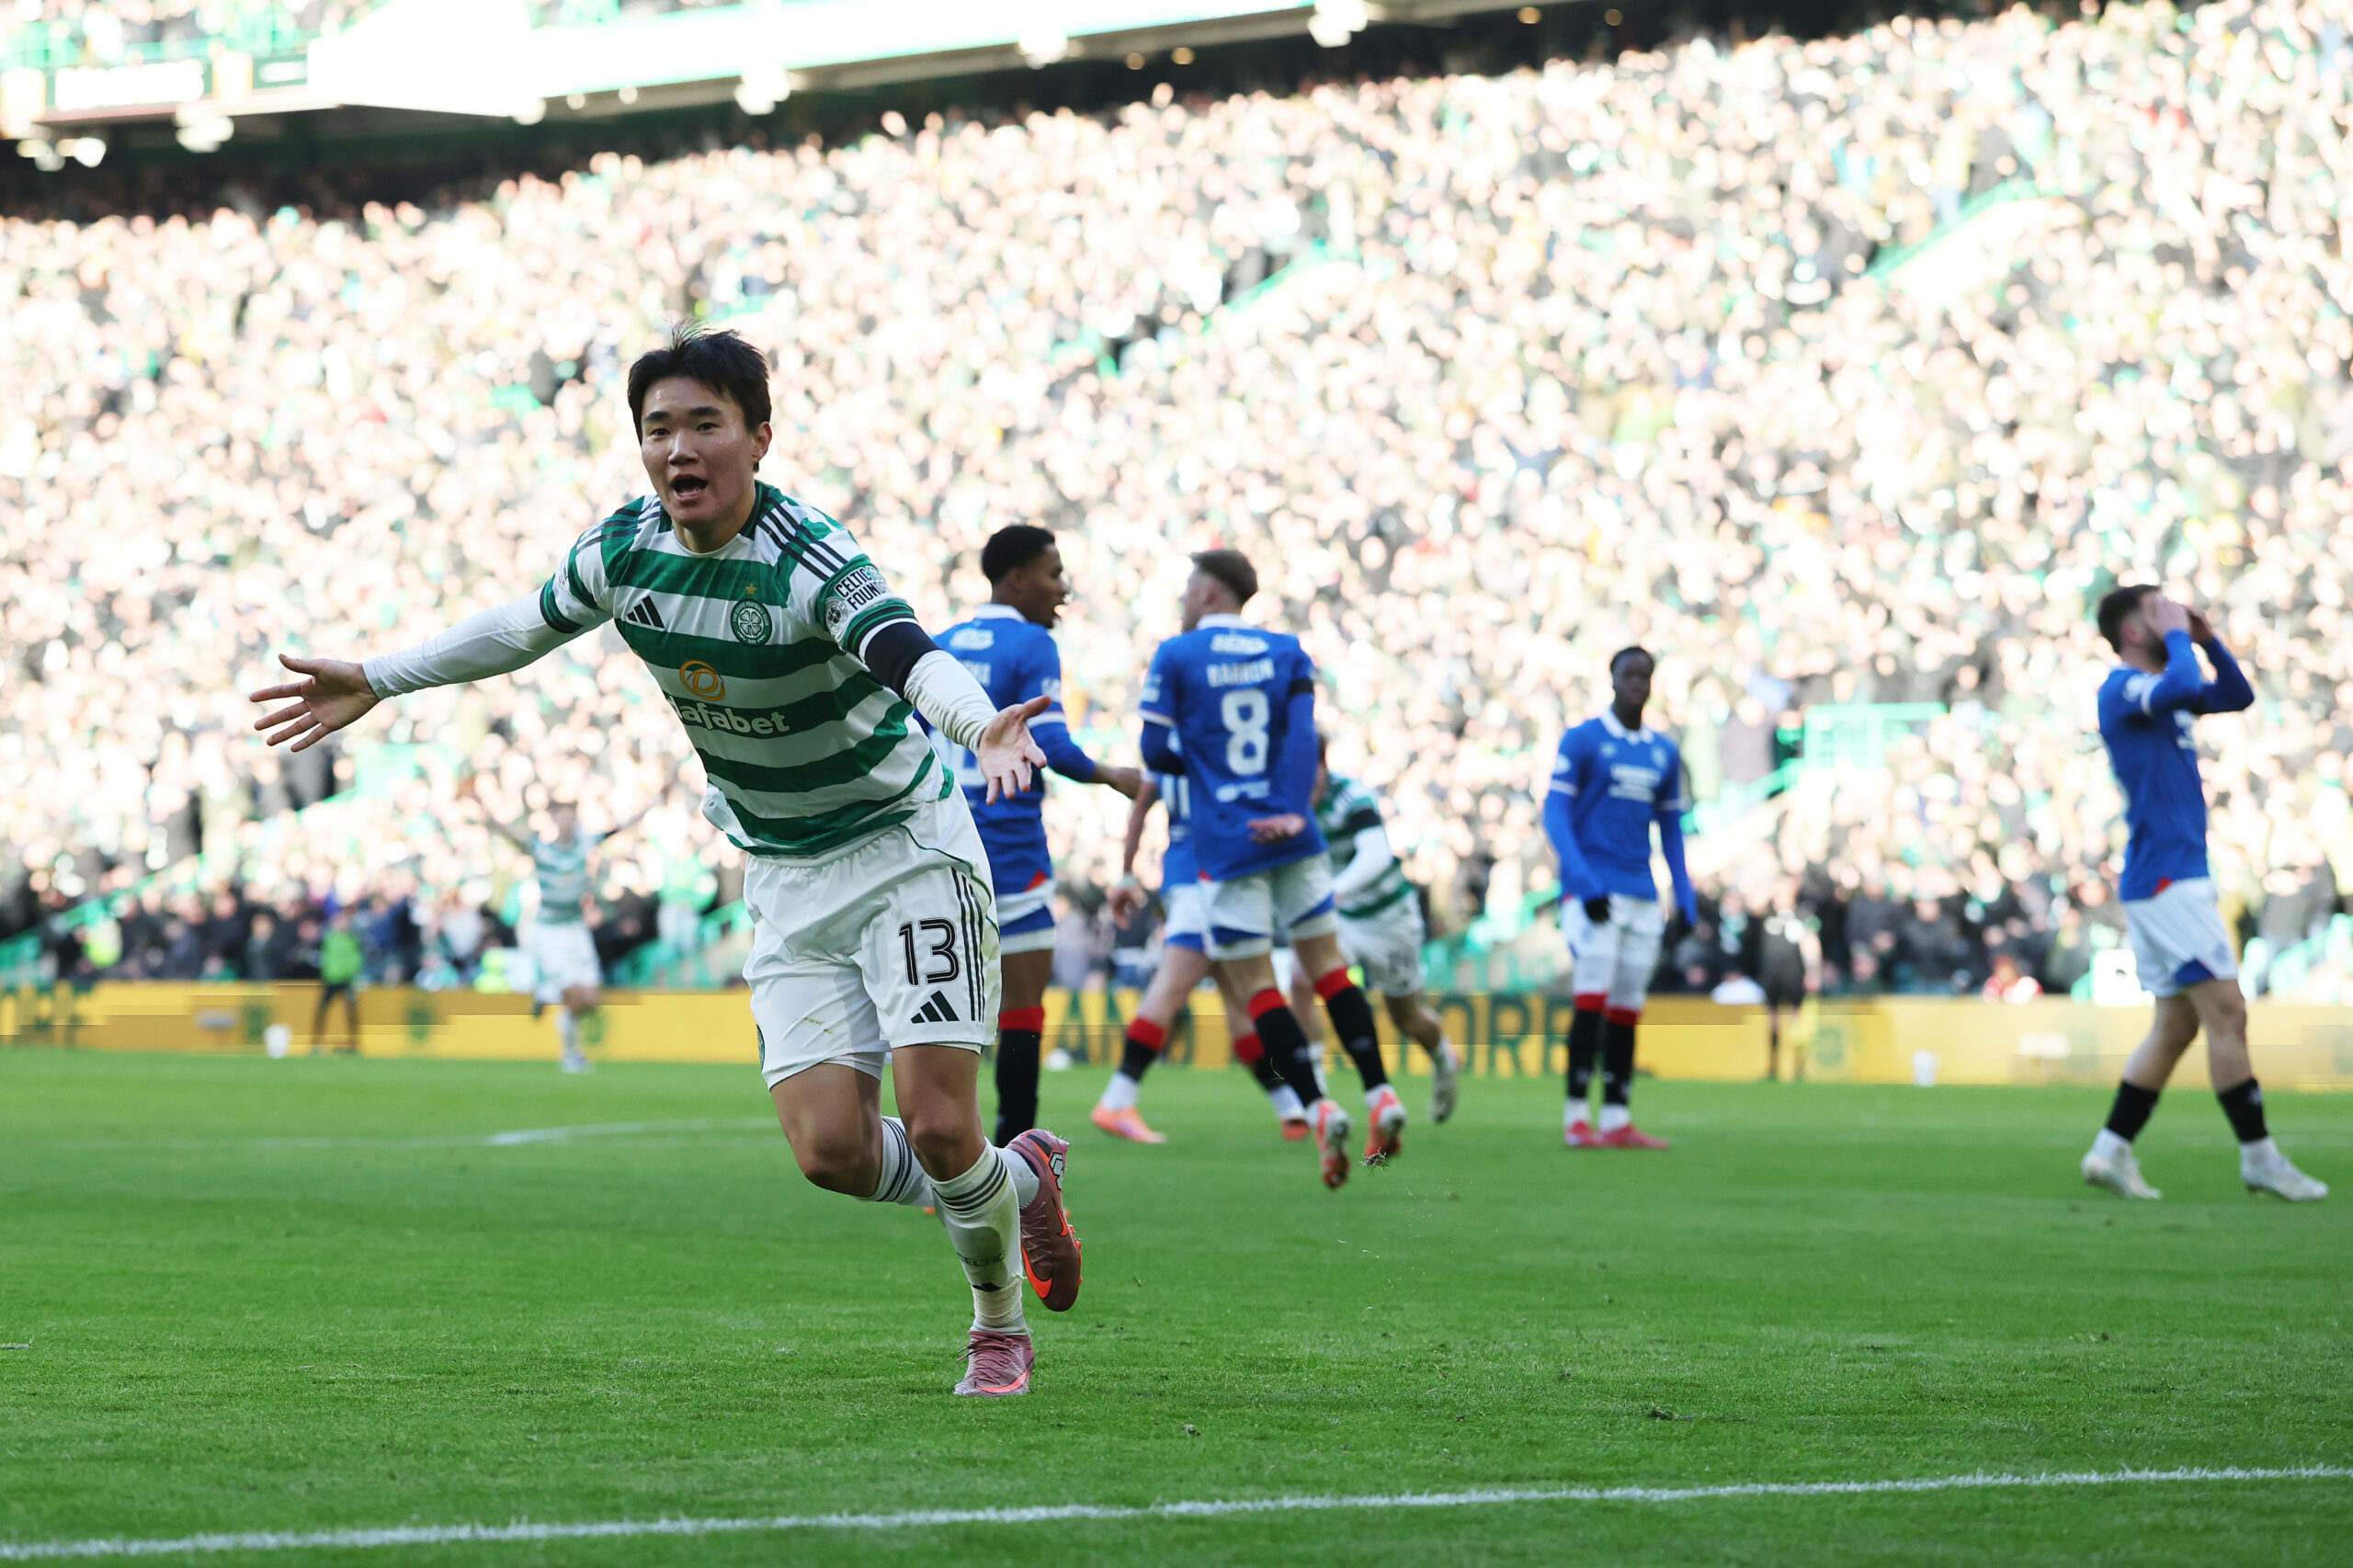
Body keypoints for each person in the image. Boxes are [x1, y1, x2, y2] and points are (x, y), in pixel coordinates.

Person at [251, 325, 1087, 1395]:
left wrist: (982, 731)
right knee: (830, 1149)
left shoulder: (810, 556)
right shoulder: (624, 551)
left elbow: (907, 654)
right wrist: (379, 674)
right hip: (784, 869)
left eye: (704, 424)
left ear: (758, 438)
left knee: (936, 1121)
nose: (678, 449)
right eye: (658, 429)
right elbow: (520, 625)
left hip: (903, 850)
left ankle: (995, 1324)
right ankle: (1016, 1180)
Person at [1138, 548, 1404, 1187]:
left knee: (1259, 987)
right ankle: (1380, 1093)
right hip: (1295, 833)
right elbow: (1305, 740)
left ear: (1206, 592)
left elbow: (1152, 749)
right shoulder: (1287, 650)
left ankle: (1318, 1107)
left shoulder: (1175, 657)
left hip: (1228, 842)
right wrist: (1287, 807)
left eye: (1186, 587)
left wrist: (1211, 771)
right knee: (1330, 970)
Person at [2079, 586, 2325, 1202]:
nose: (2171, 619)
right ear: (2133, 631)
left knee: (2176, 1026)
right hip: (2168, 879)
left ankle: (2108, 1152)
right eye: (2156, 612)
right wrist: (2183, 638)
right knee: (2227, 1012)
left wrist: (2207, 636)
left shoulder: (2162, 690)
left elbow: (2236, 695)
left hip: (2168, 876)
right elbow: (2185, 687)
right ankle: (2260, 1158)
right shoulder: (2122, 688)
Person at [934, 525, 1141, 1145]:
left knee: (949, 1012)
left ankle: (950, 1158)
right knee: (1021, 1010)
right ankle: (1015, 1161)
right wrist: (1113, 776)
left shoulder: (938, 647)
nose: (1064, 589)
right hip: (1010, 846)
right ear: (1017, 578)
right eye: (1054, 575)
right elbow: (1050, 745)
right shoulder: (1031, 643)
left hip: (942, 847)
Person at [1097, 764, 1307, 1144]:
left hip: (1186, 878)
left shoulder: (1166, 748)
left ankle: (1289, 1106)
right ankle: (1117, 1099)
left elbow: (1141, 806)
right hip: (1207, 883)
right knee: (1170, 989)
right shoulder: (1210, 741)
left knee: (1238, 999)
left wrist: (1128, 875)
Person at [1545, 646, 1696, 1150]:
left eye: (1645, 676)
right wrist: (1583, 883)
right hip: (1595, 892)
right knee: (1591, 999)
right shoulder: (1584, 740)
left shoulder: (1662, 752)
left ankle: (1615, 1117)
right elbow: (1556, 815)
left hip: (1640, 894)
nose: (1637, 684)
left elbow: (1671, 828)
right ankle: (1574, 1116)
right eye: (1629, 675)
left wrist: (1684, 892)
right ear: (1611, 680)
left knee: (1628, 1006)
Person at [1287, 738, 1461, 1122]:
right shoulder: (1288, 798)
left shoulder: (1351, 795)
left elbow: (1376, 853)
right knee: (1301, 979)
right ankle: (1315, 1093)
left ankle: (1442, 1057)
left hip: (1389, 919)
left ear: (1323, 767)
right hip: (1340, 920)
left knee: (1406, 1018)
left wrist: (1337, 889)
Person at [463, 779, 657, 1073]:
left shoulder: (586, 843)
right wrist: (479, 804)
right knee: (574, 997)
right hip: (550, 931)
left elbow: (621, 827)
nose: (566, 820)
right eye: (561, 815)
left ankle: (546, 993)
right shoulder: (540, 848)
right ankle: (571, 1054)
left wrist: (651, 803)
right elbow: (505, 831)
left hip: (576, 928)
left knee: (590, 1000)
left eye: (570, 815)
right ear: (554, 819)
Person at [311, 909, 362, 1053]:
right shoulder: (329, 938)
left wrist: (352, 975)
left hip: (347, 981)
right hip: (331, 980)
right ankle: (316, 1043)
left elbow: (356, 960)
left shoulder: (353, 939)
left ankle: (354, 1044)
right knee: (322, 1012)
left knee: (351, 1014)